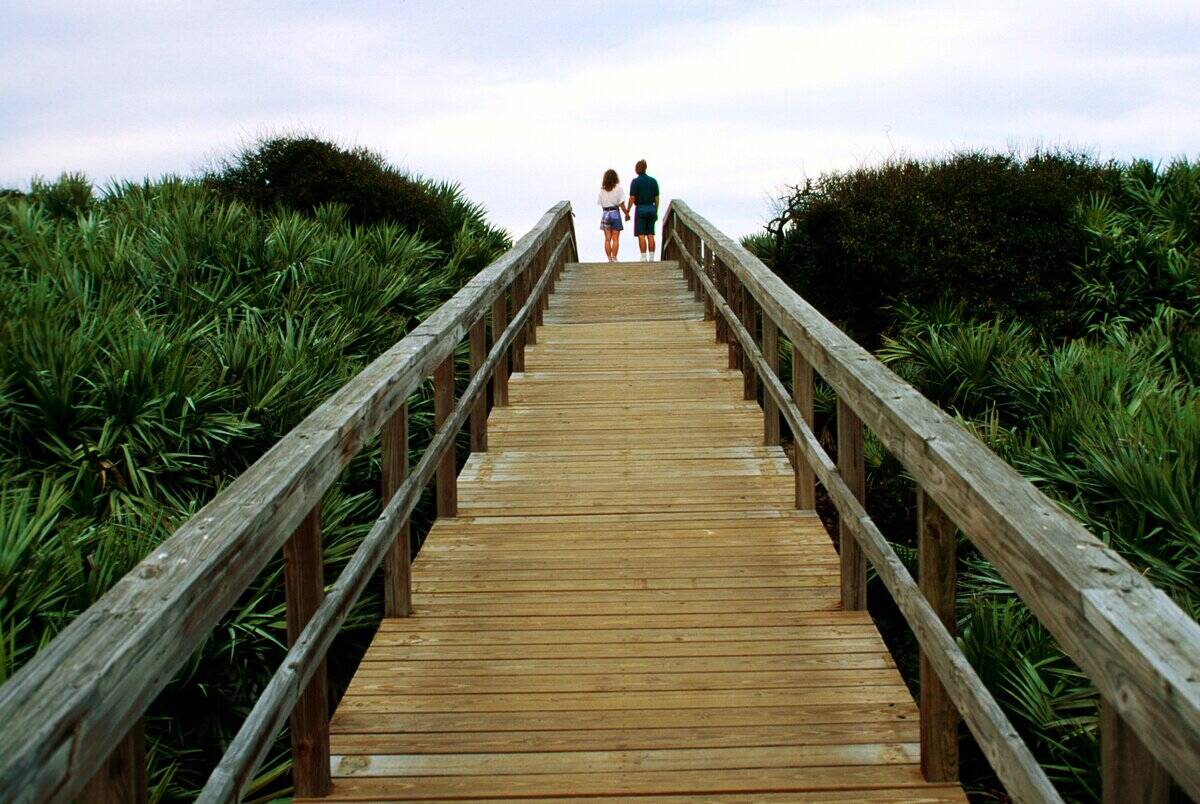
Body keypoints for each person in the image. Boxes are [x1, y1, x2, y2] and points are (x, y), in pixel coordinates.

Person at [628, 159, 660, 261]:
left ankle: (643, 257)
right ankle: (651, 257)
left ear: (637, 169)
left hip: (641, 208)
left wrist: (628, 210)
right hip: (651, 208)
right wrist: (656, 210)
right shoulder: (653, 181)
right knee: (650, 234)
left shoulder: (635, 182)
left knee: (641, 234)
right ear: (645, 168)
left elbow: (632, 198)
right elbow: (657, 198)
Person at [597, 168, 629, 262]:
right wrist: (626, 214)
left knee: (607, 239)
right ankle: (614, 258)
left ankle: (609, 259)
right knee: (615, 238)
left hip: (605, 213)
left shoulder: (602, 190)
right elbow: (621, 204)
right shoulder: (619, 189)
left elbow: (601, 204)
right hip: (615, 213)